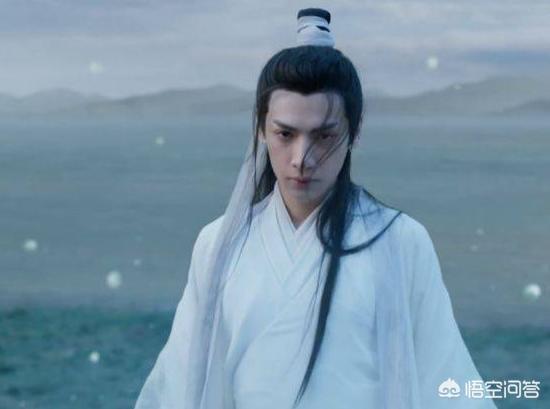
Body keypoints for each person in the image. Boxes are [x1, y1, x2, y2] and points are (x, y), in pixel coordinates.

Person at [134, 8, 498, 409]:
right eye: (285, 134)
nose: (301, 158)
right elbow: (182, 382)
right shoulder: (218, 244)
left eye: (323, 136)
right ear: (261, 129)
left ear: (354, 131)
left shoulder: (401, 241)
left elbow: (444, 376)